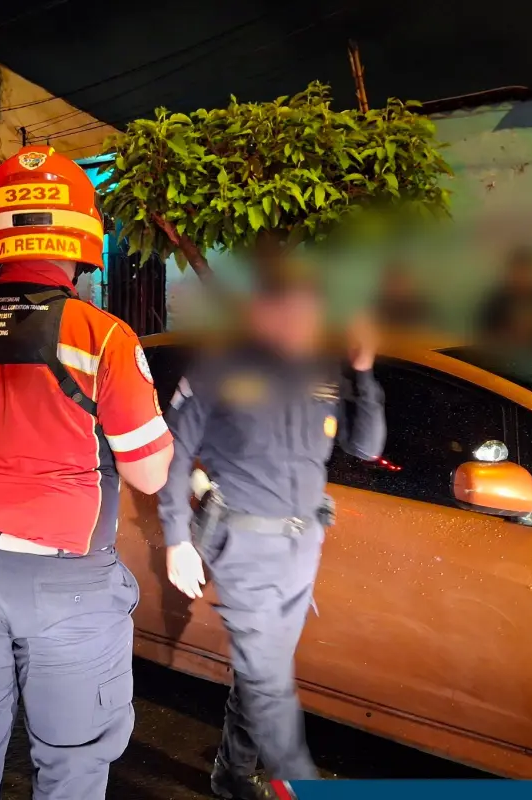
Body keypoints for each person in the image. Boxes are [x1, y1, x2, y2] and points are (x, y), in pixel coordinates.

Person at [0, 145, 175, 800]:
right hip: (65, 580)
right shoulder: (103, 337)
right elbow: (152, 474)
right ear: (81, 236)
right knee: (70, 759)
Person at [158, 261, 386, 800]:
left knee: (264, 673)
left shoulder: (321, 372)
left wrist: (365, 371)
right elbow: (174, 454)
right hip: (245, 546)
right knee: (269, 683)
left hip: (303, 547)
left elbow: (367, 447)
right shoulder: (219, 368)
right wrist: (175, 539)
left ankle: (233, 775)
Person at [478, 246, 532, 345]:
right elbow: (485, 339)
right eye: (519, 272)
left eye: (528, 272)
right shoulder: (495, 304)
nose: (523, 279)